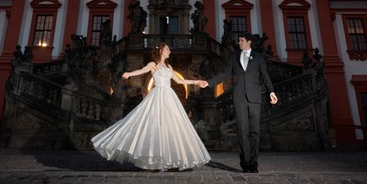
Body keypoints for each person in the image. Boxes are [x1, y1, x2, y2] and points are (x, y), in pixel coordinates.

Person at [92, 43, 210, 171]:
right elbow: (141, 71)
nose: (170, 51)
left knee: (169, 126)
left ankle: (165, 160)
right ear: (161, 51)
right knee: (154, 126)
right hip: (157, 95)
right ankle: (152, 160)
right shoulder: (153, 65)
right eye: (167, 49)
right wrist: (129, 74)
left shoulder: (169, 66)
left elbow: (180, 81)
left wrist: (197, 81)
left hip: (169, 97)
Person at [206, 33, 278, 173]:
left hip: (254, 98)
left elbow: (265, 76)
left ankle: (254, 162)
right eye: (239, 40)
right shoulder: (234, 57)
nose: (239, 42)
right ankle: (245, 163)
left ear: (249, 42)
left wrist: (271, 92)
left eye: (241, 40)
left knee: (255, 132)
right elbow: (225, 74)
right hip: (239, 98)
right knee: (242, 132)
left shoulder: (258, 57)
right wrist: (208, 83)